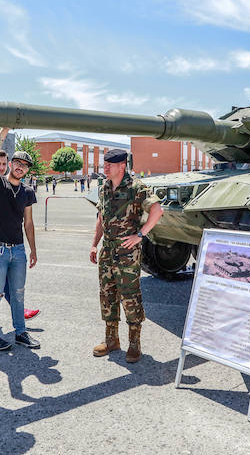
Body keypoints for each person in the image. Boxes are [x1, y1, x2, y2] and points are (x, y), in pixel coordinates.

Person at [89, 149, 163, 363]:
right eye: (105, 164)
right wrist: (94, 244)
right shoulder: (104, 187)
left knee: (130, 295)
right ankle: (111, 339)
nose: (105, 168)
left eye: (109, 165)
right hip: (107, 251)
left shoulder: (136, 187)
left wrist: (140, 235)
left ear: (122, 166)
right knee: (107, 293)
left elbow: (157, 210)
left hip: (127, 253)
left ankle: (134, 343)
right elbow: (101, 216)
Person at [0, 148, 41, 351]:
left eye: (24, 165)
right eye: (17, 163)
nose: (20, 167)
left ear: (27, 170)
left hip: (18, 250)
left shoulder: (27, 192)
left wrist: (32, 250)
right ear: (9, 163)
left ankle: (20, 333)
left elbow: (29, 223)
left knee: (18, 294)